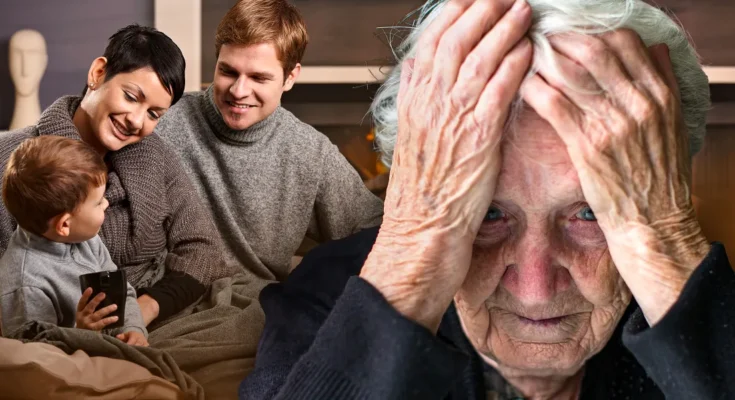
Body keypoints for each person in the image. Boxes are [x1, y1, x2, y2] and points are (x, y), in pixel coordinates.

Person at [238, 0, 735, 399]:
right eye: (486, 214)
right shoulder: (327, 298)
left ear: (660, 192)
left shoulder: (704, 310)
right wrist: (412, 253)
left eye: (592, 211)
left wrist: (665, 247)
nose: (536, 288)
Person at [0, 24, 231, 328]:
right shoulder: (12, 158)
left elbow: (204, 249)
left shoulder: (154, 155)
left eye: (154, 114)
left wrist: (146, 308)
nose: (136, 121)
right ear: (97, 73)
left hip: (149, 314)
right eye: (131, 97)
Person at [156, 0, 384, 281]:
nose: (239, 91)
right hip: (164, 299)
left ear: (290, 77)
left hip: (259, 306)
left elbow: (377, 232)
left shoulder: (309, 152)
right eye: (228, 72)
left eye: (258, 78)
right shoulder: (163, 121)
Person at [0, 136, 147, 346]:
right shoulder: (26, 286)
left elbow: (123, 294)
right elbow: (35, 360)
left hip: (107, 347)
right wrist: (83, 331)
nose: (106, 203)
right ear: (65, 225)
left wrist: (134, 329)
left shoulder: (87, 239)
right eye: (98, 202)